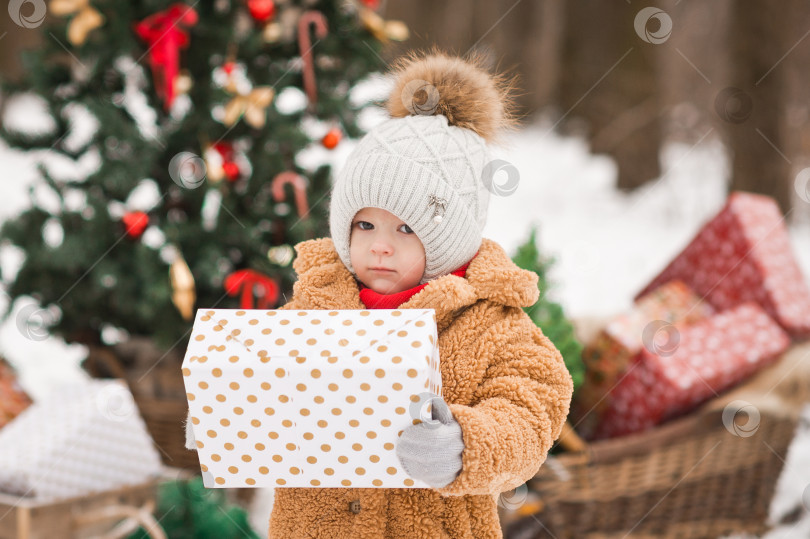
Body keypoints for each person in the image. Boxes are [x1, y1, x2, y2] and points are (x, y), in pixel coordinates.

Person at [186, 47, 574, 538]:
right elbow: (270, 378)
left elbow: (531, 410)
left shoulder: (491, 322)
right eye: (365, 224)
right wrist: (228, 412)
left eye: (406, 229)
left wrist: (464, 445)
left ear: (449, 239)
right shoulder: (316, 303)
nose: (380, 247)